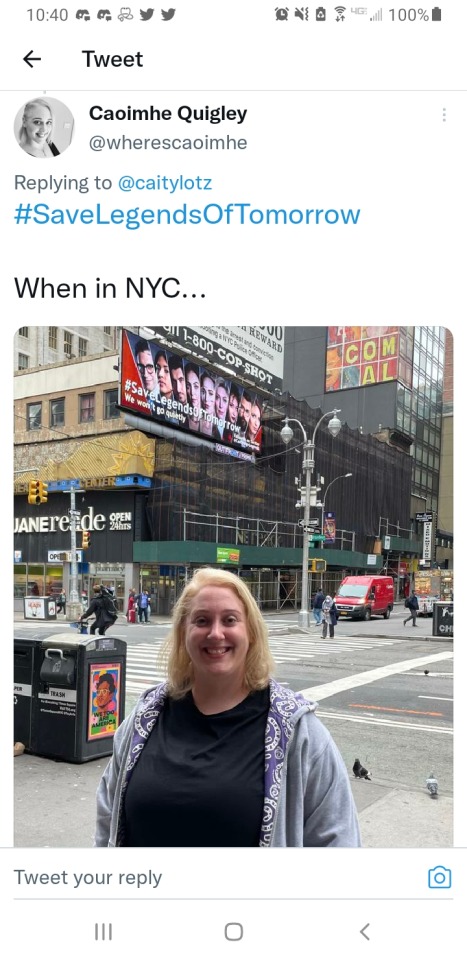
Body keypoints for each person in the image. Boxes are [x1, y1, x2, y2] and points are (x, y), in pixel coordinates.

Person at [94, 567, 360, 847]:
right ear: (184, 633)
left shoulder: (299, 734)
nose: (216, 633)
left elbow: (339, 843)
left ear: (252, 633)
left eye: (230, 620)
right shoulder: (143, 719)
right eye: (202, 620)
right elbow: (107, 820)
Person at [134, 339, 159, 410]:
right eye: (140, 367)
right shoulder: (133, 397)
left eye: (150, 367)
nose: (145, 374)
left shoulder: (168, 402)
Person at [185, 362, 201, 431]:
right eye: (188, 386)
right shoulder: (180, 417)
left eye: (196, 386)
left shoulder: (211, 425)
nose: (192, 392)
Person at [200, 370, 216, 436]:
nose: (206, 398)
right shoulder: (191, 423)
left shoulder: (218, 433)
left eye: (211, 393)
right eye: (203, 392)